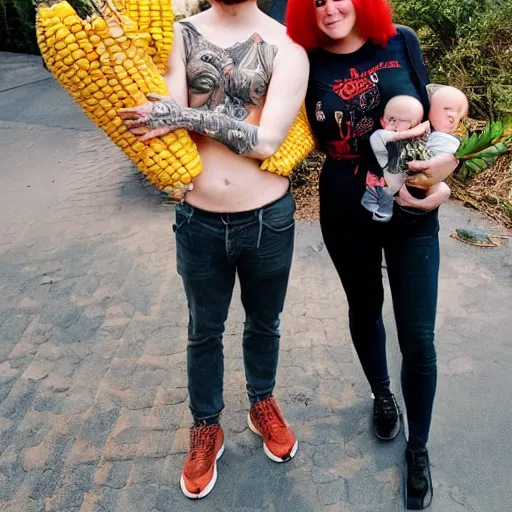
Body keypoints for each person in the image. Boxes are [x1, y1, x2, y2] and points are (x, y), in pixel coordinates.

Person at [119, 0, 309, 500]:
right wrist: (176, 117)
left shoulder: (287, 44)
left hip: (268, 218)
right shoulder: (180, 35)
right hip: (199, 218)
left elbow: (267, 141)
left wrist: (182, 115)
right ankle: (206, 426)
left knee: (264, 322)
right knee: (203, 330)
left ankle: (261, 403)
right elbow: (163, 120)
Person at [285, 0, 459, 509]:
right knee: (363, 308)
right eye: (315, 0)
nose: (329, 7)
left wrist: (446, 184)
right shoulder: (303, 59)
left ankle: (418, 448)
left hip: (413, 208)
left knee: (419, 337)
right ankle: (382, 395)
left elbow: (441, 127)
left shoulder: (400, 40)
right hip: (345, 205)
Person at [362, 87, 468, 221]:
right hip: (397, 178)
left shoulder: (449, 136)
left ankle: (412, 203)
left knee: (444, 190)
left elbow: (446, 159)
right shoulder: (417, 126)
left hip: (420, 182)